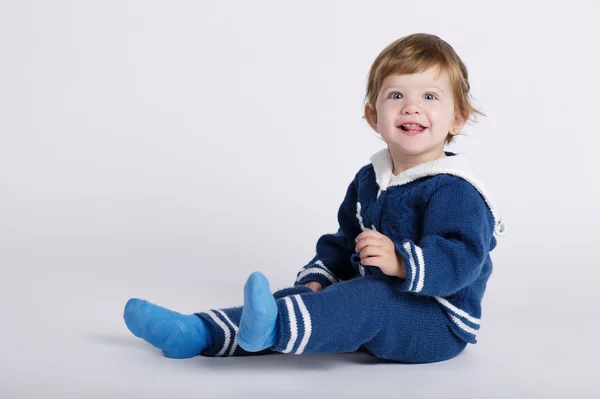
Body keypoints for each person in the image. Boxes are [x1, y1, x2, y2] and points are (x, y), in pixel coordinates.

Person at [123, 32, 506, 364]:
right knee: (303, 299)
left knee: (368, 298)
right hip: (375, 299)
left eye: (429, 95)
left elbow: (462, 258)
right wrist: (318, 278)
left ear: (457, 118)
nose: (411, 106)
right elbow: (344, 240)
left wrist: (401, 262)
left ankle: (271, 328)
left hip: (435, 319)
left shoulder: (455, 188)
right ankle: (198, 332)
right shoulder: (370, 179)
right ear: (373, 116)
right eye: (396, 94)